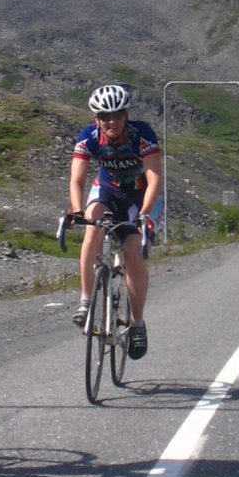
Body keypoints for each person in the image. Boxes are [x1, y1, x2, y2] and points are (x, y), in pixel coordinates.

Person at [66, 83, 162, 359]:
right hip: (108, 189)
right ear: (96, 119)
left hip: (140, 195)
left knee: (133, 250)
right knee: (91, 226)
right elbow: (77, 179)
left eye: (118, 115)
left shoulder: (141, 134)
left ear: (126, 116)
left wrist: (144, 214)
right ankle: (86, 300)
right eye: (105, 116)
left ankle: (137, 324)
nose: (112, 121)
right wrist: (76, 209)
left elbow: (155, 178)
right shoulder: (89, 137)